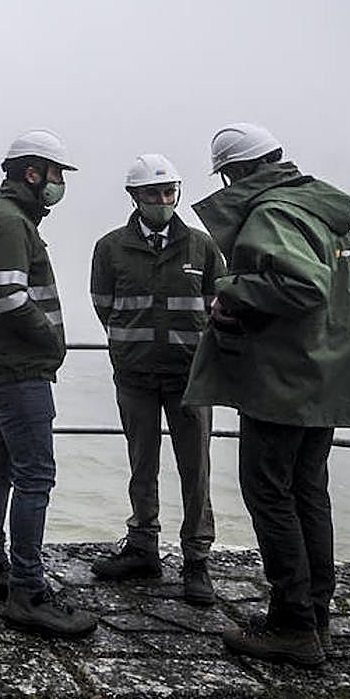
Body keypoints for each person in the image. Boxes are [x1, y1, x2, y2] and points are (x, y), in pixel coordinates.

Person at [184, 123, 350, 667]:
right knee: (309, 492)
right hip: (327, 380)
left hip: (284, 384)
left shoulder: (271, 214)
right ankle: (315, 617)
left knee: (269, 493)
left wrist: (230, 293)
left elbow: (303, 285)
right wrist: (325, 342)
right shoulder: (321, 210)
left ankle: (291, 624)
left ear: (236, 173)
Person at [0, 129, 98, 638]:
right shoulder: (9, 221)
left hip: (3, 365)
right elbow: (9, 298)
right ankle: (27, 590)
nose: (59, 184)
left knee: (0, 464)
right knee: (35, 477)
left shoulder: (10, 217)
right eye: (57, 174)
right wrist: (52, 344)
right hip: (19, 369)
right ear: (32, 172)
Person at [87, 154, 225, 606]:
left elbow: (218, 307)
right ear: (135, 197)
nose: (163, 201)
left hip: (192, 378)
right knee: (141, 465)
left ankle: (197, 560)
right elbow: (103, 305)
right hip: (135, 375)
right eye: (153, 194)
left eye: (169, 193)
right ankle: (143, 546)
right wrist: (132, 349)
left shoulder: (203, 248)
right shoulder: (110, 249)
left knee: (196, 470)